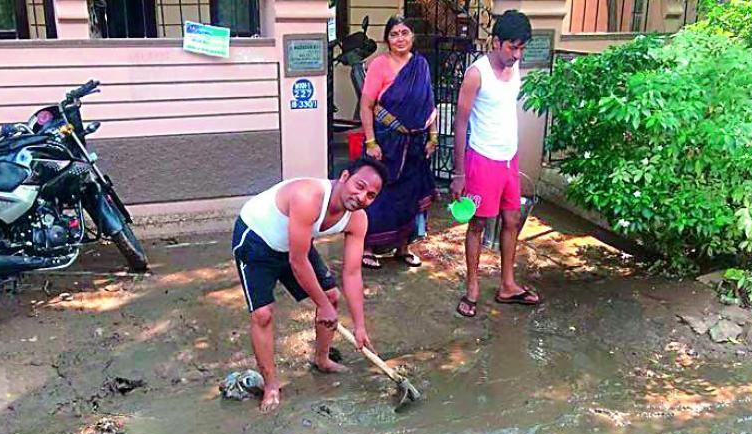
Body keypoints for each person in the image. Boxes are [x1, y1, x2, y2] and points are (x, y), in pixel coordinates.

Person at [231, 158, 388, 412]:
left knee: (331, 295)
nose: (361, 197)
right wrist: (323, 306)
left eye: (371, 195)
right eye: (359, 186)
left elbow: (352, 273)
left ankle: (322, 359)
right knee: (263, 314)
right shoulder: (309, 197)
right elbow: (297, 260)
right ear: (345, 176)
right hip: (257, 239)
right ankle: (271, 384)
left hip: (295, 243)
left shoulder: (358, 220)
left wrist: (360, 326)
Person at [450, 10, 540, 318]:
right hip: (481, 159)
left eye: (521, 48)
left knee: (512, 221)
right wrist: (458, 173)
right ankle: (472, 288)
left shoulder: (515, 69)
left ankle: (507, 284)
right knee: (477, 224)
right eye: (512, 47)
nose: (517, 54)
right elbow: (460, 124)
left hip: (508, 158)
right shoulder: (477, 73)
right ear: (496, 41)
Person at [358, 15, 438, 270]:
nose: (400, 38)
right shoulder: (379, 65)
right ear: (387, 40)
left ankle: (404, 247)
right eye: (394, 34)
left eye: (405, 33)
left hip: (415, 144)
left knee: (410, 195)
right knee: (379, 194)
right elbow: (366, 105)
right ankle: (368, 247)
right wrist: (371, 142)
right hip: (386, 141)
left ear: (412, 36)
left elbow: (429, 104)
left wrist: (433, 137)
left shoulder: (421, 65)